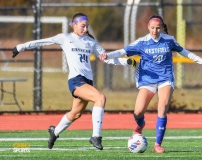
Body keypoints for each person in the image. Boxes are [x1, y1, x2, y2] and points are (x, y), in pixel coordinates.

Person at [12, 12, 136, 150]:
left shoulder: (90, 42)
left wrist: (127, 61)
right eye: (83, 26)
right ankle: (96, 136)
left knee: (75, 114)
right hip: (76, 80)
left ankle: (55, 132)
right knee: (100, 98)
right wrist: (21, 46)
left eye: (87, 26)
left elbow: (105, 57)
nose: (85, 29)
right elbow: (42, 42)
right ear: (74, 25)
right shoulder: (65, 38)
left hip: (87, 82)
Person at [100, 15, 202, 153]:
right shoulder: (142, 42)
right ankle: (140, 125)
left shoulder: (169, 40)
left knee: (163, 107)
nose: (155, 31)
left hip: (165, 78)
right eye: (152, 28)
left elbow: (185, 52)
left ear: (161, 28)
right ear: (148, 27)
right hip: (147, 79)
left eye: (158, 28)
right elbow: (123, 51)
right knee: (138, 111)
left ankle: (157, 144)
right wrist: (108, 55)